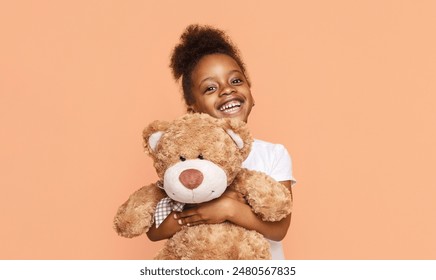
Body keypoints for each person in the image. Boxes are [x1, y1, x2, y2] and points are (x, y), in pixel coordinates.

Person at [146, 24, 296, 259]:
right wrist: (200, 212)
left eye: (236, 81)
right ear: (193, 110)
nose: (227, 90)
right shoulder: (184, 159)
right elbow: (154, 231)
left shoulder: (273, 154)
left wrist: (229, 209)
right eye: (210, 88)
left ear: (250, 91)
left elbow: (279, 228)